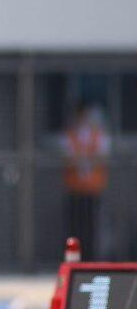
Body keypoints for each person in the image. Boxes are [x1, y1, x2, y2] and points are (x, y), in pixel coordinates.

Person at [61, 102, 111, 260]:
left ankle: (91, 258)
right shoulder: (71, 136)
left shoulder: (98, 136)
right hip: (75, 189)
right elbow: (67, 156)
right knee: (75, 227)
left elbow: (103, 156)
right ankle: (75, 258)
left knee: (92, 227)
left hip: (93, 190)